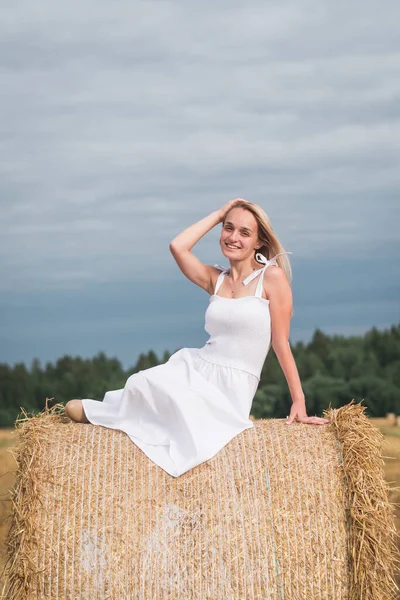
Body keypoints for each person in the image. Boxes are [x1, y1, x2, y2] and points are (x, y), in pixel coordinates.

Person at [65, 198, 329, 477]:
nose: (233, 237)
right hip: (196, 367)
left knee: (188, 421)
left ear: (259, 242)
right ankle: (111, 411)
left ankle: (113, 414)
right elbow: (177, 246)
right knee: (142, 382)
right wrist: (218, 214)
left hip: (231, 387)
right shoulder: (215, 279)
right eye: (228, 228)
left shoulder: (272, 278)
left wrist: (298, 400)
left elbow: (280, 343)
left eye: (244, 232)